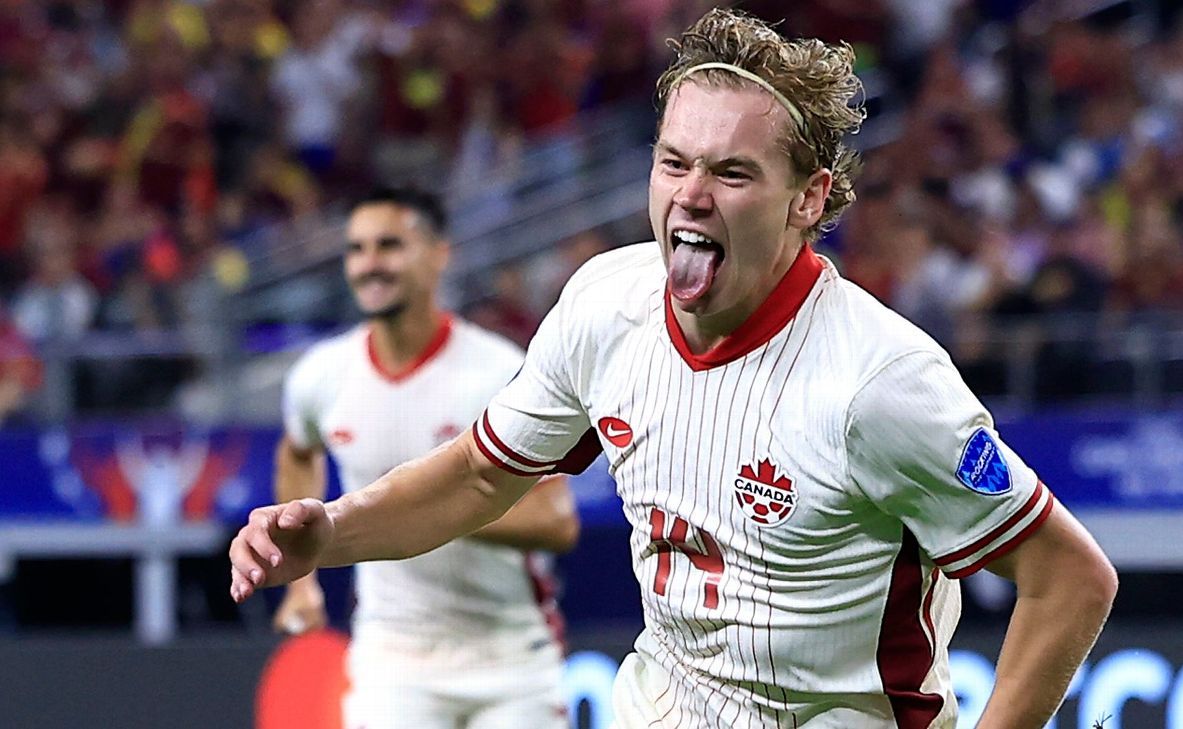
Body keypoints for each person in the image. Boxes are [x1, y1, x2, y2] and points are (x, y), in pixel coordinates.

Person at [232, 10, 1117, 728]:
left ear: (808, 198)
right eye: (673, 162)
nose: (691, 194)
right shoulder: (603, 305)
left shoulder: (880, 381)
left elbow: (1072, 577)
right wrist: (331, 532)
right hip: (660, 705)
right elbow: (475, 474)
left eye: (733, 172)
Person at [270, 186, 579, 729]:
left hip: (509, 655)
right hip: (393, 658)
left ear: (439, 254)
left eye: (389, 245)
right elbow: (298, 454)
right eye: (356, 249)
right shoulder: (321, 376)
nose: (370, 265)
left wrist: (427, 503)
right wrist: (301, 584)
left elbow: (556, 522)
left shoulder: (499, 371)